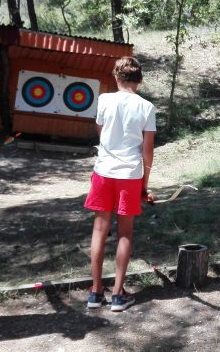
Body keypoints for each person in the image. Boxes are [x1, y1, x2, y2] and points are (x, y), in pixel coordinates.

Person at [85, 57, 156, 312]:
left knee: (99, 231)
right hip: (130, 175)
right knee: (125, 233)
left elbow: (101, 133)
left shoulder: (104, 100)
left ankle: (95, 293)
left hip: (104, 172)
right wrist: (144, 185)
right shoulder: (146, 107)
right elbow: (147, 151)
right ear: (139, 79)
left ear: (116, 78)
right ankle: (117, 294)